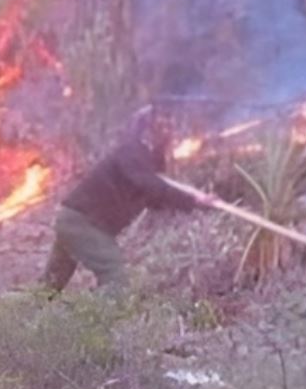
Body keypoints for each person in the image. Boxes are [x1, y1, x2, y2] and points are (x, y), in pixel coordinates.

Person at [43, 105, 208, 293]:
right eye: (162, 128)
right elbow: (150, 185)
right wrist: (192, 200)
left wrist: (198, 203)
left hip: (73, 221)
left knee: (48, 287)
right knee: (114, 274)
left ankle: (18, 316)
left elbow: (155, 197)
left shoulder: (143, 162)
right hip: (83, 223)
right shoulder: (130, 153)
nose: (168, 133)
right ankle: (96, 321)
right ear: (147, 131)